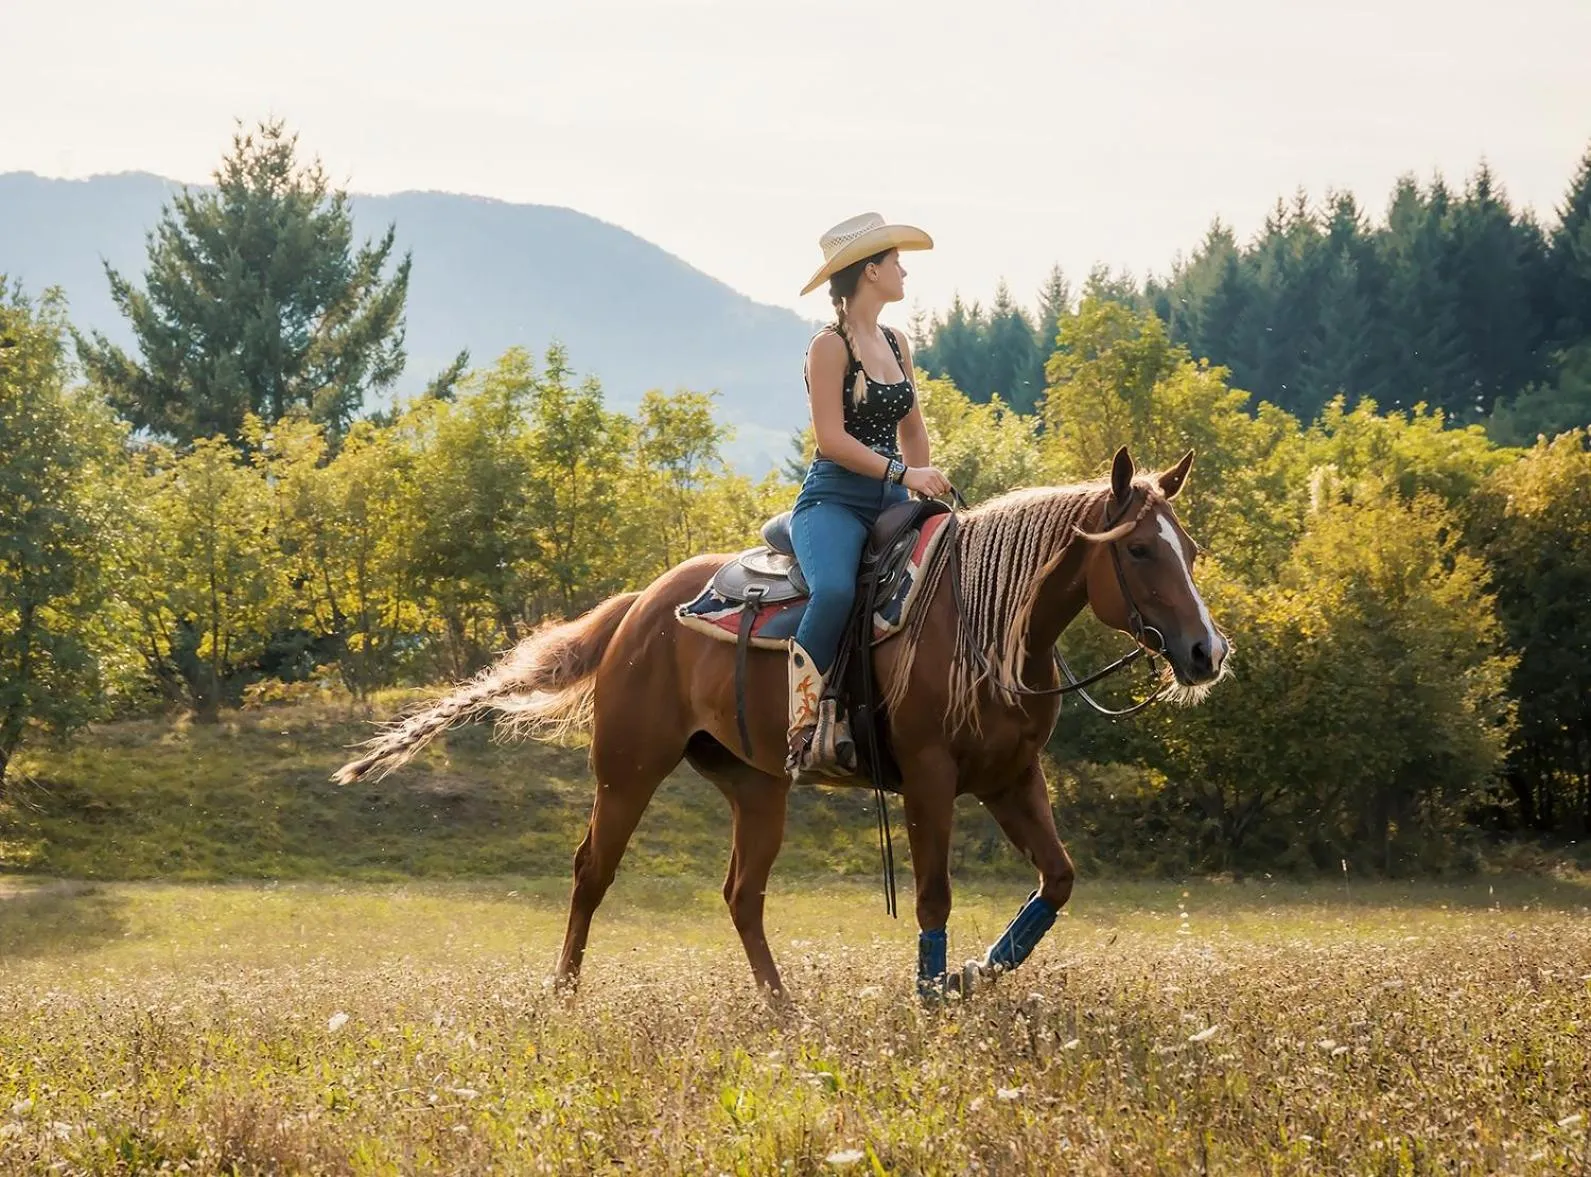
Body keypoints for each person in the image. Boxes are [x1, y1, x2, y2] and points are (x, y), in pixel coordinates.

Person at [785, 212, 953, 782]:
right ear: (871, 272)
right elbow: (830, 441)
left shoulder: (896, 341)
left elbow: (912, 426)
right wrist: (905, 475)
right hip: (833, 500)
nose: (904, 270)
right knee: (832, 591)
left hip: (892, 499)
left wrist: (926, 477)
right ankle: (802, 729)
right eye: (896, 262)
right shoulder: (828, 346)